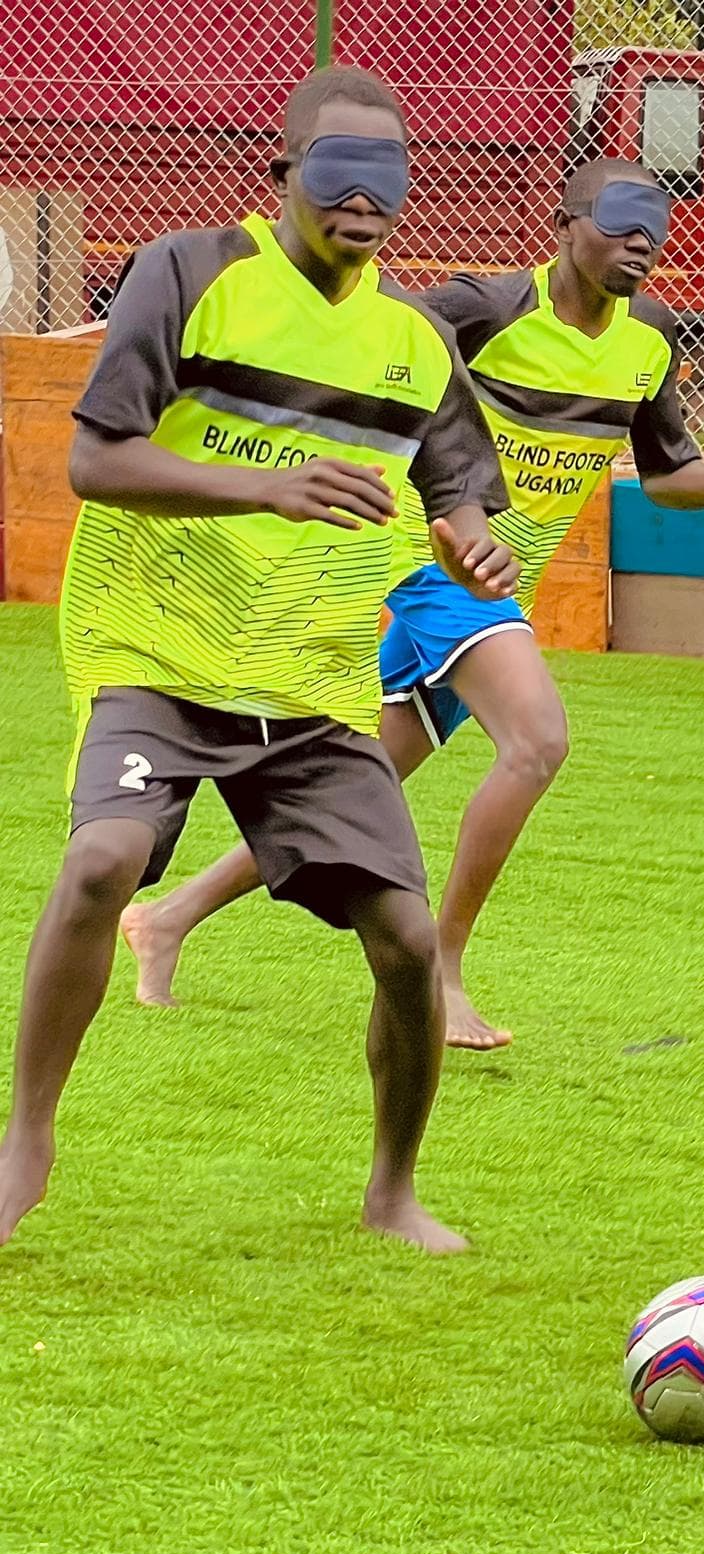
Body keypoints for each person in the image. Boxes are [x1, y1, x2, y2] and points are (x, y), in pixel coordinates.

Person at [0, 67, 515, 1253]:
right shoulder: (186, 273)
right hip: (155, 650)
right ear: (280, 175)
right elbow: (95, 460)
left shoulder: (415, 339)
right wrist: (265, 488)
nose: (363, 197)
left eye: (387, 175)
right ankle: (26, 1139)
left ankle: (392, 1192)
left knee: (406, 941)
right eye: (338, 169)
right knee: (102, 862)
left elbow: (457, 494)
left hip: (312, 682)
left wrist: (470, 544)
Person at [119, 158, 704, 1047]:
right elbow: (370, 336)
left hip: (497, 589)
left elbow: (666, 476)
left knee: (373, 773)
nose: (640, 240)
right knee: (538, 741)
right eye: (620, 219)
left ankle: (166, 919)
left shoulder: (650, 339)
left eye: (654, 226)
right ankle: (443, 969)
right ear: (565, 223)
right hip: (424, 558)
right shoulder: (483, 308)